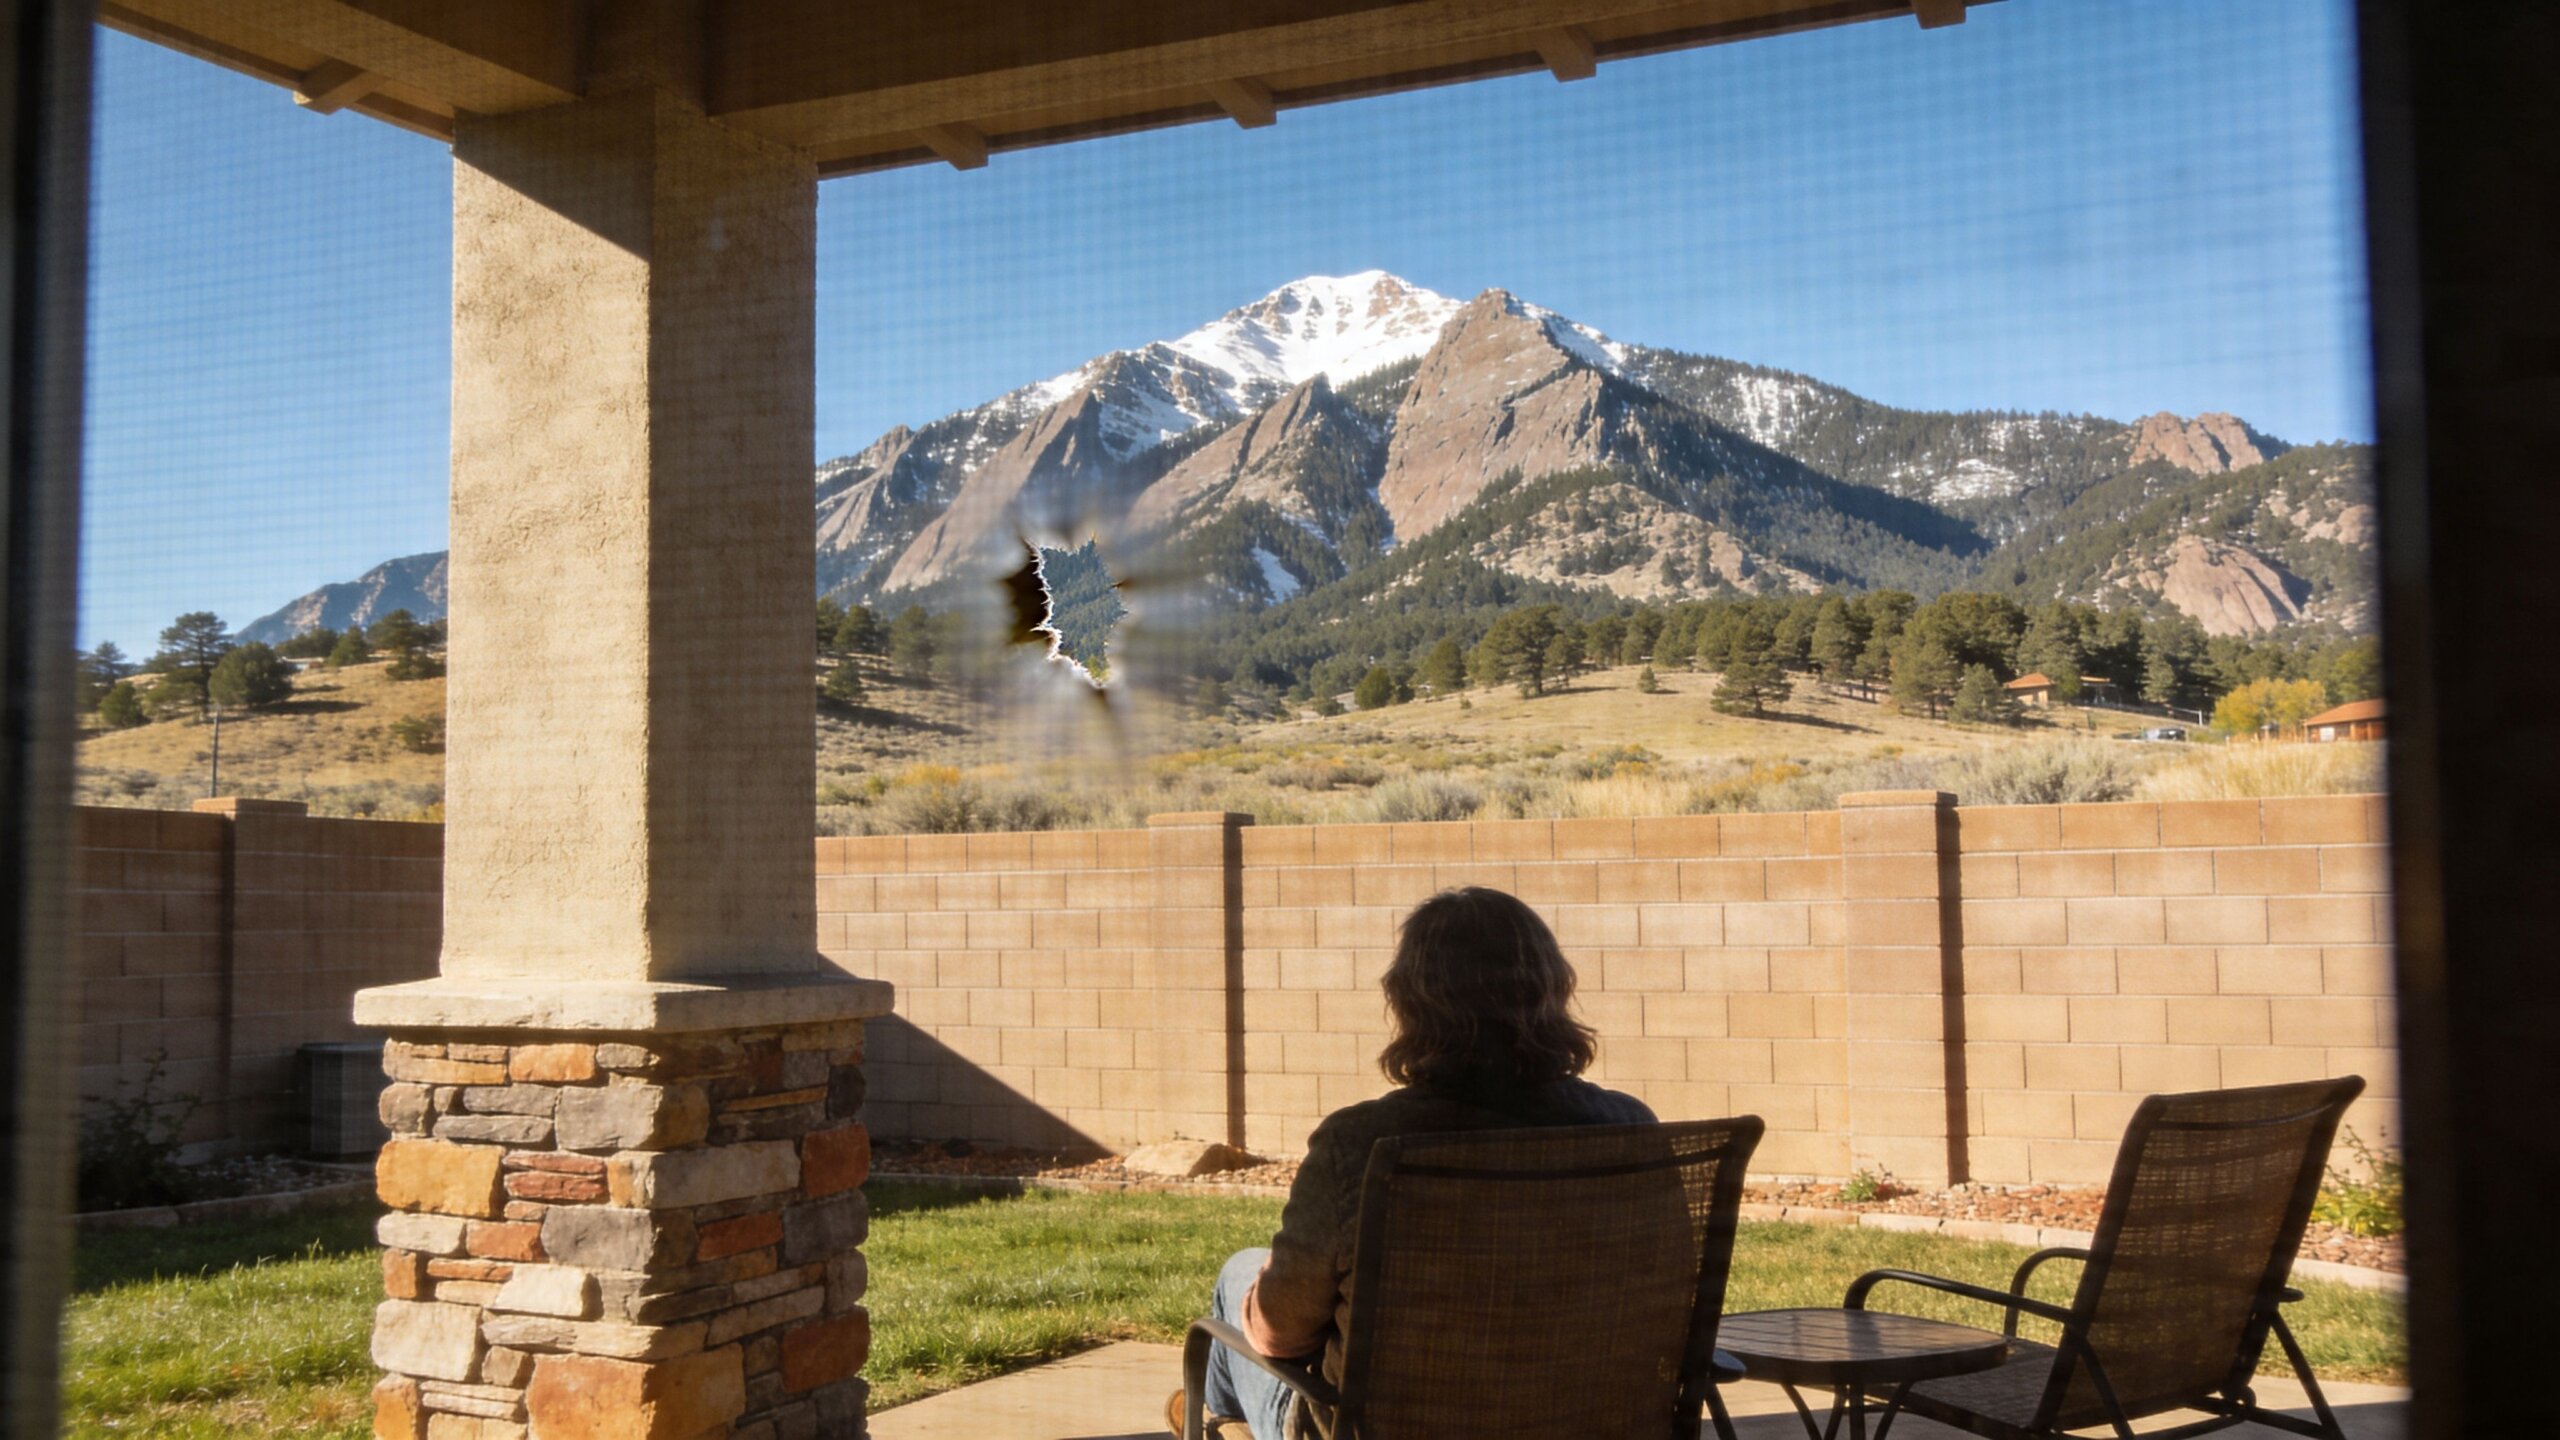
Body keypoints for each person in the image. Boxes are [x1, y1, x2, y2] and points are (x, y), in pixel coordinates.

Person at [1167, 886, 1655, 1440]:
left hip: (1378, 1428)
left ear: (1408, 1002)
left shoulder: (1360, 1144)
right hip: (1583, 1422)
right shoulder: (1628, 1127)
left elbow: (1280, 1338)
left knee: (1240, 1276)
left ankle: (1225, 1424)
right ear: (1551, 989)